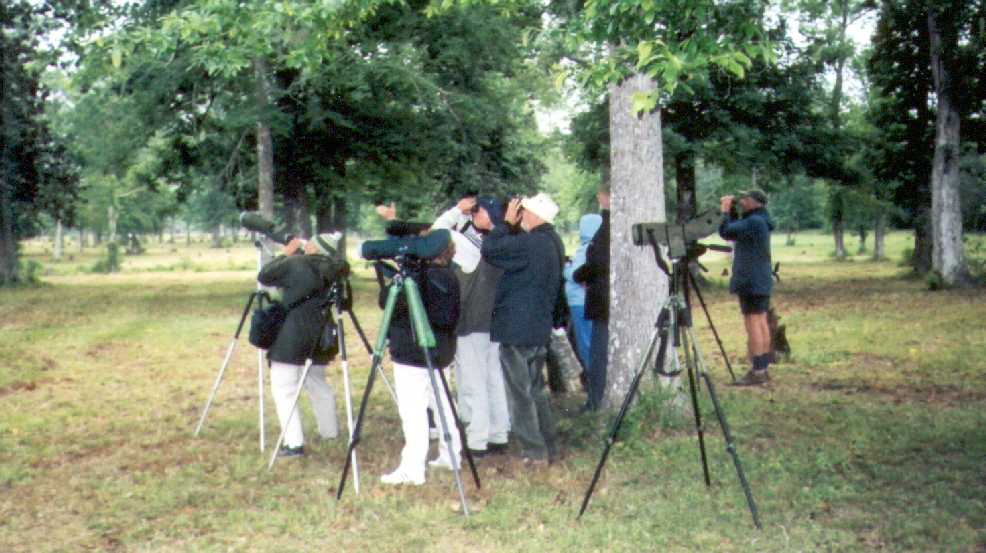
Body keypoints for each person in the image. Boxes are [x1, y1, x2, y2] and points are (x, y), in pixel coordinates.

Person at [481, 193, 562, 465]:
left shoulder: (531, 243)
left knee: (519, 393)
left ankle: (533, 452)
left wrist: (504, 224)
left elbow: (491, 250)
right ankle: (548, 445)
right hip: (538, 325)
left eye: (523, 211)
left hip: (517, 328)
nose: (521, 216)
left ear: (534, 215)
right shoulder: (553, 241)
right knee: (536, 389)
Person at [379, 237, 463, 486]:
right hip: (441, 351)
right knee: (442, 403)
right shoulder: (449, 276)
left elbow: (388, 302)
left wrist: (399, 277)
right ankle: (451, 455)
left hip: (412, 353)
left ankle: (412, 468)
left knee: (413, 410)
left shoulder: (415, 279)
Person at [432, 196, 510, 459]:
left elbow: (438, 234)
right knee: (493, 380)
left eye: (479, 211)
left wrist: (457, 210)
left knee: (473, 382)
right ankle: (499, 434)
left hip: (472, 322)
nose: (474, 214)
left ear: (489, 217)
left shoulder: (474, 248)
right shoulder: (501, 243)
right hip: (494, 321)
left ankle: (477, 441)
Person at [257, 234, 347, 458]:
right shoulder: (335, 269)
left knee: (284, 389)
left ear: (315, 247)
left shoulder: (295, 263)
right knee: (317, 382)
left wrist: (285, 254)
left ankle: (293, 443)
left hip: (293, 334)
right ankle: (330, 431)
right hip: (322, 335)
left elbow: (265, 276)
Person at [718, 189, 775, 385]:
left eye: (744, 199)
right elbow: (736, 230)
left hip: (751, 280)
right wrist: (732, 214)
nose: (741, 201)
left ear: (753, 202)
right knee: (761, 321)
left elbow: (726, 231)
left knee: (753, 324)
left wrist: (725, 210)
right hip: (761, 279)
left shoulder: (754, 222)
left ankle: (757, 372)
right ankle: (763, 368)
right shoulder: (760, 221)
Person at [573, 184, 611, 411]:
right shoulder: (605, 224)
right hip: (601, 297)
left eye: (603, 195)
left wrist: (580, 274)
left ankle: (596, 400)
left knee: (599, 352)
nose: (599, 198)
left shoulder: (608, 226)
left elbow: (599, 260)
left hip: (602, 298)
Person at [563, 213, 603, 370]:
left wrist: (565, 268)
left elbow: (575, 274)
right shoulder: (596, 249)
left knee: (585, 343)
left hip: (579, 302)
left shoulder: (587, 250)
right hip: (590, 301)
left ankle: (592, 376)